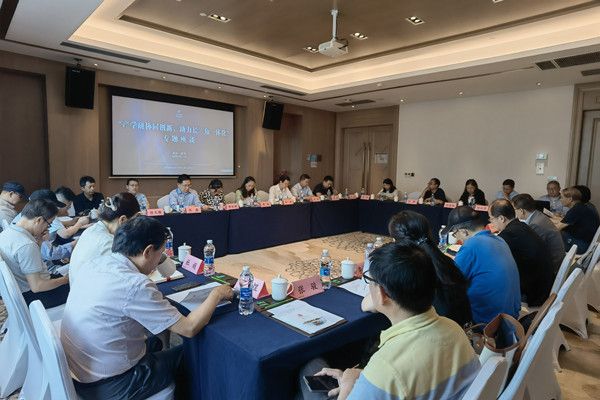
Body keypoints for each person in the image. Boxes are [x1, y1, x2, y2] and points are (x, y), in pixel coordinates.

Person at [61, 216, 233, 399]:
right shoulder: (135, 284)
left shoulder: (95, 264)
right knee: (193, 354)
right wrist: (217, 294)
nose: (160, 261)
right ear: (148, 251)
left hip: (79, 373)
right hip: (114, 385)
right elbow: (189, 328)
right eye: (161, 253)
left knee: (156, 342)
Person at [303, 243, 479, 399]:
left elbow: (393, 376)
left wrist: (348, 387)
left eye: (369, 280)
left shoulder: (387, 366)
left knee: (309, 366)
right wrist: (364, 379)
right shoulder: (453, 329)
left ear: (382, 294)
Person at [383, 210, 472, 326]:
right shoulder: (444, 260)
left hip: (437, 331)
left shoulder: (409, 269)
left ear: (397, 241)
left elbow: (374, 303)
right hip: (459, 328)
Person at [442, 206, 521, 324]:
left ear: (464, 231)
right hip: (510, 316)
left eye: (454, 234)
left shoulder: (471, 245)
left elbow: (451, 281)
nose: (456, 237)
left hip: (487, 321)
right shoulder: (500, 240)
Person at [0, 199, 70, 308]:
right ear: (39, 220)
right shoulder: (26, 245)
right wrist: (66, 279)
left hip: (22, 292)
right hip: (34, 297)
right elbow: (37, 286)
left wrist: (40, 242)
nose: (47, 228)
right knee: (80, 285)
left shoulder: (7, 233)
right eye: (49, 224)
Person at [489, 199, 554, 307]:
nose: (491, 222)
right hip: (543, 284)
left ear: (501, 218)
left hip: (533, 293)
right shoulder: (521, 226)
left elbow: (492, 260)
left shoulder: (509, 234)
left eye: (491, 218)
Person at [69, 192, 140, 284]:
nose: (134, 226)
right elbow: (124, 279)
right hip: (87, 289)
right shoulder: (107, 242)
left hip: (78, 286)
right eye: (134, 221)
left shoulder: (93, 229)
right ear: (122, 220)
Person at [513, 194, 566, 274]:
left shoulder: (535, 224)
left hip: (552, 267)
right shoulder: (538, 214)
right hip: (556, 259)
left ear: (521, 211)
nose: (514, 212)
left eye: (514, 209)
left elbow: (529, 250)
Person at [555, 187, 600, 254]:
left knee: (550, 237)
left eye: (561, 197)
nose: (560, 200)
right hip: (585, 243)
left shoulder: (576, 209)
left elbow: (557, 227)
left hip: (580, 245)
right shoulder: (582, 207)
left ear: (570, 199)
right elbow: (564, 222)